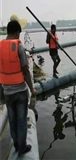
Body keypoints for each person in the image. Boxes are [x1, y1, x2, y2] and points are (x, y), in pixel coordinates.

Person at [0, 20, 37, 157]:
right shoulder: (19, 47)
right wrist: (32, 89)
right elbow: (25, 71)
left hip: (7, 91)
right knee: (21, 120)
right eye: (19, 34)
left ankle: (15, 143)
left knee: (12, 119)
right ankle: (22, 147)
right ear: (16, 32)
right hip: (20, 91)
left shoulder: (0, 46)